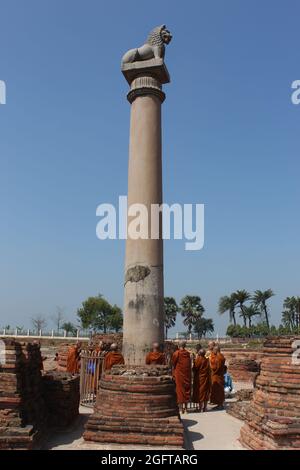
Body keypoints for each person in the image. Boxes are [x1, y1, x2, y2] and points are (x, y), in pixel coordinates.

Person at [172, 341, 191, 414]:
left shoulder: (177, 353)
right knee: (186, 391)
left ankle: (180, 409)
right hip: (187, 375)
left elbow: (173, 363)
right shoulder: (188, 354)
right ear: (185, 346)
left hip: (179, 375)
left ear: (179, 346)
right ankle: (186, 409)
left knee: (180, 391)